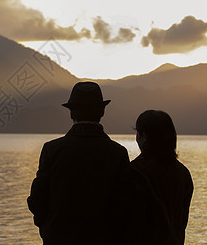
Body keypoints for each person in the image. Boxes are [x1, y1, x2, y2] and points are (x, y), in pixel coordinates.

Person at [27, 81, 135, 244]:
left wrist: (48, 227)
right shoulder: (117, 153)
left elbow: (37, 199)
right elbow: (126, 205)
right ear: (102, 111)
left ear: (71, 113)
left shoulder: (52, 150)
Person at [131, 110, 193, 244]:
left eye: (138, 133)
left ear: (144, 136)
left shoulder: (136, 171)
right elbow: (182, 220)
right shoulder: (183, 173)